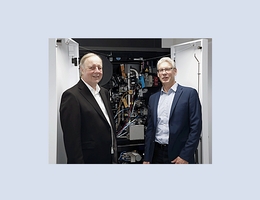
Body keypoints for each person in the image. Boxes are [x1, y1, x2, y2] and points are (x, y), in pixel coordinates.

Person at [59, 53, 117, 164]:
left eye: (99, 68)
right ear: (82, 70)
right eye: (92, 68)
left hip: (108, 157)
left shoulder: (104, 93)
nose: (97, 71)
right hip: (89, 160)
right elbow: (72, 140)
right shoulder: (72, 96)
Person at [143, 57, 202, 164]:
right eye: (161, 70)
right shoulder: (153, 98)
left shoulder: (189, 94)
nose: (164, 73)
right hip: (156, 154)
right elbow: (150, 130)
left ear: (175, 71)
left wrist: (185, 156)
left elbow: (196, 128)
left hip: (179, 153)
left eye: (168, 69)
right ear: (158, 74)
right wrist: (147, 158)